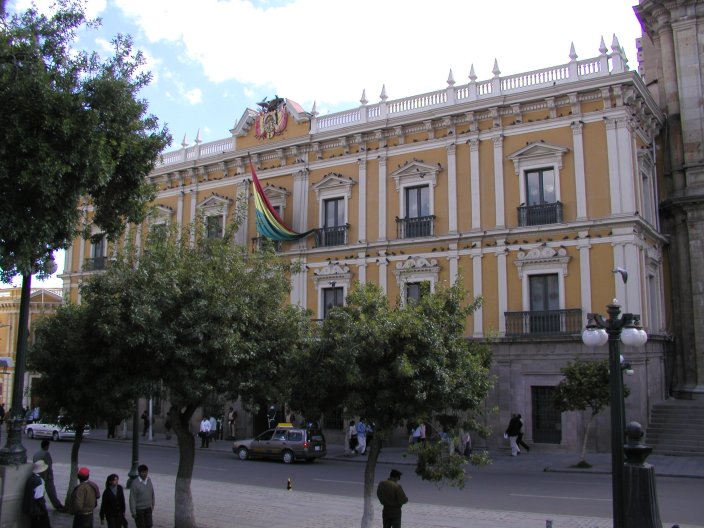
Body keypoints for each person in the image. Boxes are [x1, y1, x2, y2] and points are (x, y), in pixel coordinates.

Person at [32, 439, 64, 511]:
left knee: (39, 492)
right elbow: (48, 466)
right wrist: (50, 475)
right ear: (46, 446)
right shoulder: (46, 454)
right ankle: (57, 505)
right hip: (46, 475)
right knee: (51, 491)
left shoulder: (36, 453)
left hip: (37, 473)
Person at [23, 460, 51, 528]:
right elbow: (39, 498)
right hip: (37, 511)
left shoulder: (31, 478)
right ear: (42, 471)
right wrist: (44, 510)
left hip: (29, 509)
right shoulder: (39, 481)